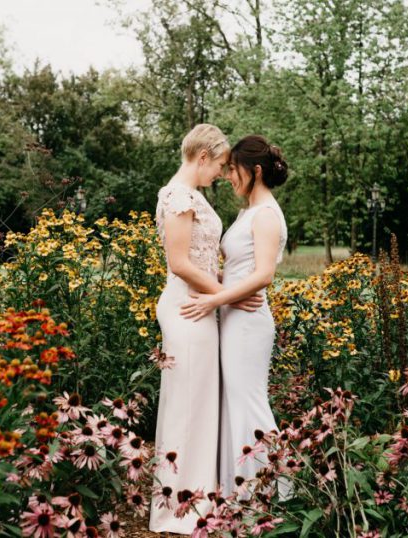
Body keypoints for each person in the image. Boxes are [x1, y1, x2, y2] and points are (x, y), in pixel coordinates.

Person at [149, 124, 262, 533]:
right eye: (217, 165)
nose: (220, 173)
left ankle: (198, 497)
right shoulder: (178, 196)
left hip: (201, 305)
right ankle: (178, 508)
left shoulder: (191, 195)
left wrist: (222, 294)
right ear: (201, 158)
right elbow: (179, 263)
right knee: (187, 402)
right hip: (186, 309)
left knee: (199, 401)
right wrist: (227, 294)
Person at [180, 135, 289, 498]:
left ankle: (279, 489)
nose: (228, 176)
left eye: (234, 169)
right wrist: (220, 286)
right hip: (233, 314)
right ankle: (238, 491)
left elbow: (263, 276)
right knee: (234, 401)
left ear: (255, 171)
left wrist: (215, 300)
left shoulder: (268, 215)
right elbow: (240, 271)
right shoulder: (248, 213)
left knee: (248, 401)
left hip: (249, 321)